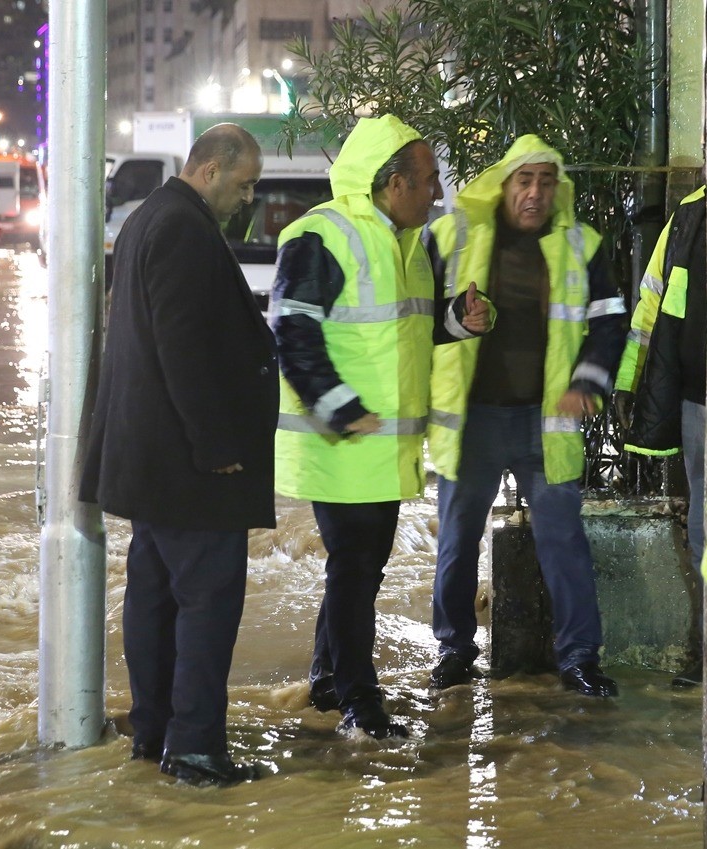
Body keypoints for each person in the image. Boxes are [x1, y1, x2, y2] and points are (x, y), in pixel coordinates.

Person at [269, 114, 491, 740]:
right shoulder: (320, 236)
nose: (437, 193)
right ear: (393, 185)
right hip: (342, 443)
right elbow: (292, 328)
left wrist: (458, 319)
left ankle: (326, 683)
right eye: (427, 181)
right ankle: (360, 707)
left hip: (377, 446)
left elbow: (406, 329)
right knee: (357, 570)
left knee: (357, 570)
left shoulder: (406, 244)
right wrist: (340, 406)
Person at [79, 124, 277, 787]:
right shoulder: (183, 229)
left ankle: (155, 733)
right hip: (187, 467)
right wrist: (214, 445)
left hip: (150, 461)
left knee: (155, 598)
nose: (247, 198)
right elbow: (181, 346)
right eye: (245, 183)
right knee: (206, 603)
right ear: (213, 169)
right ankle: (193, 749)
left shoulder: (147, 220)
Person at [426, 135, 628, 697]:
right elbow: (411, 318)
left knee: (564, 543)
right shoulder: (449, 236)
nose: (534, 192)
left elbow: (610, 320)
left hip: (548, 422)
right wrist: (455, 319)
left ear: (556, 188)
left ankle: (580, 660)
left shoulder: (582, 245)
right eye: (524, 180)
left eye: (545, 181)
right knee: (456, 543)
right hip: (474, 421)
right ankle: (454, 653)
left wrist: (587, 381)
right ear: (504, 184)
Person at [614, 185, 706, 688]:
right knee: (702, 532)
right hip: (699, 403)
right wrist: (630, 379)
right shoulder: (689, 217)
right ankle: (705, 646)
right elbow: (651, 303)